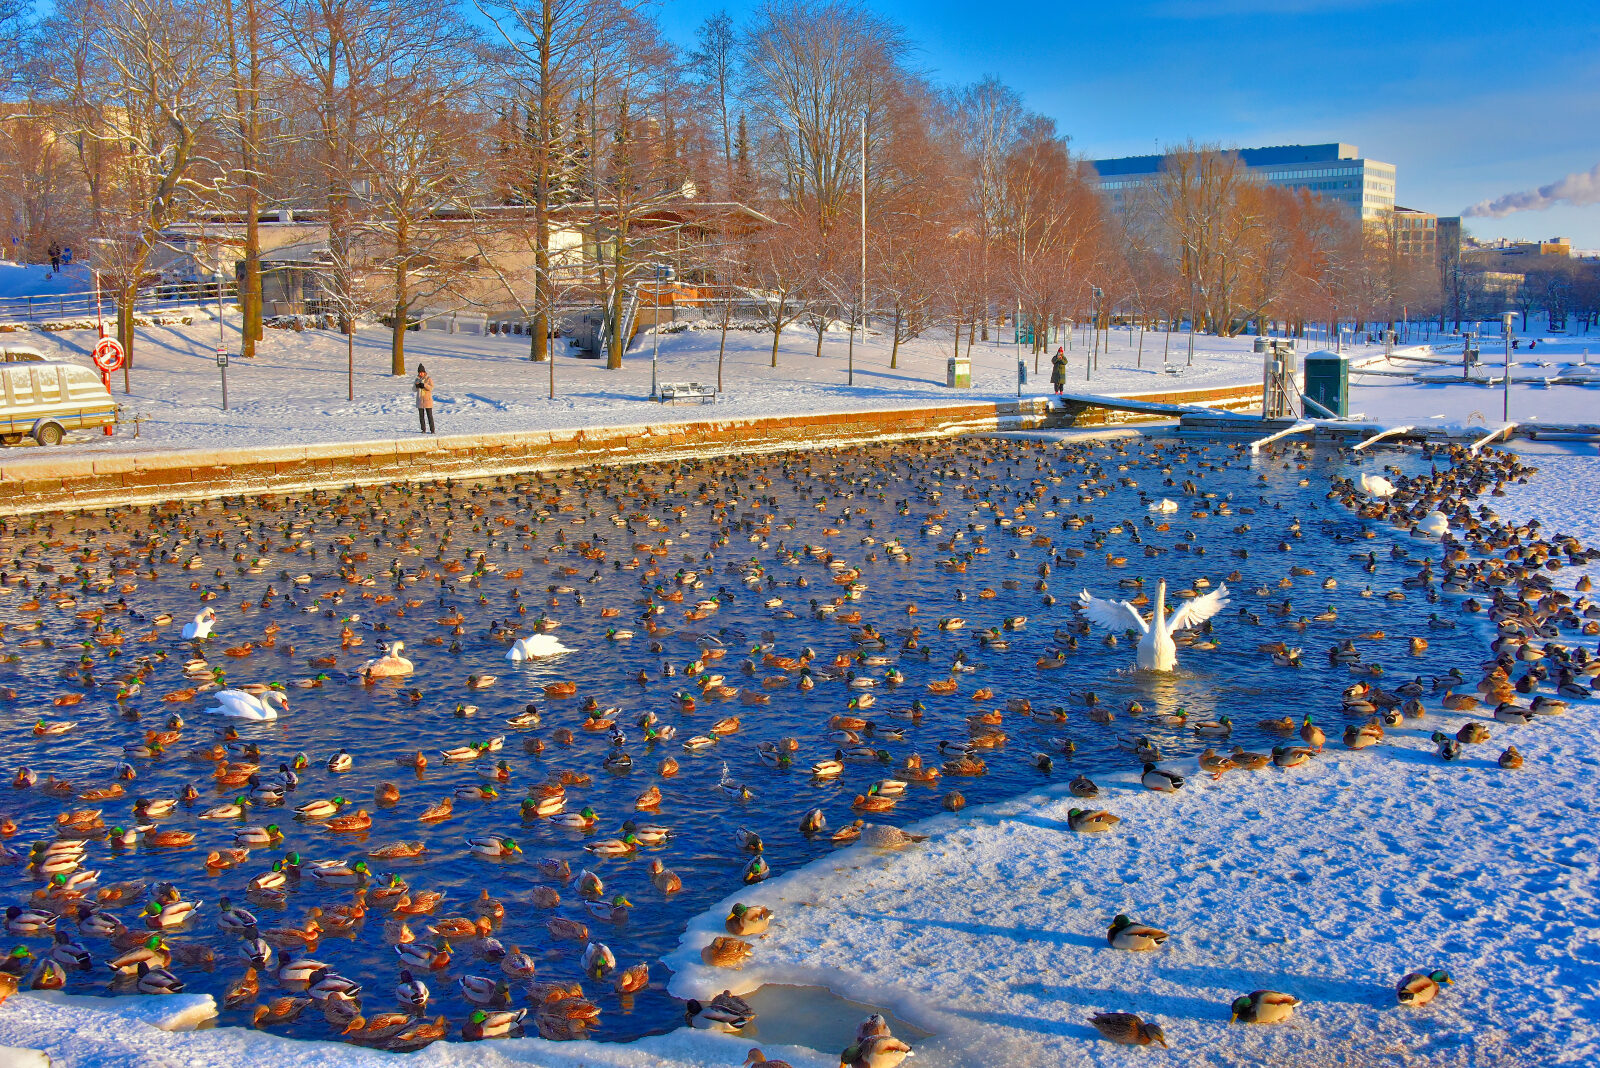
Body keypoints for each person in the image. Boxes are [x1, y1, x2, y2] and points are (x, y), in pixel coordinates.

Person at [413, 364, 435, 433]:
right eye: (419, 372)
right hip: (420, 400)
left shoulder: (428, 379)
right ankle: (423, 429)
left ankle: (432, 430)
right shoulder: (417, 379)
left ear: (424, 372)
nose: (420, 374)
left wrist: (424, 385)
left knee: (429, 416)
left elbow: (431, 388)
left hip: (427, 401)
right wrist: (416, 386)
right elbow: (413, 389)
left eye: (421, 372)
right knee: (421, 416)